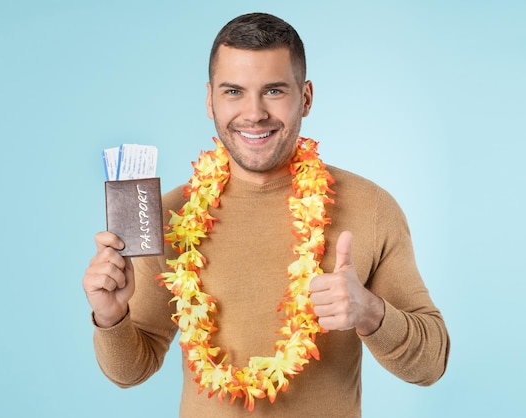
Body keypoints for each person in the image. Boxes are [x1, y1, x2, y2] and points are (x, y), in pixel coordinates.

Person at [82, 12, 450, 417]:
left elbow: (431, 364)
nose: (253, 112)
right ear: (210, 100)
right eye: (233, 91)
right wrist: (111, 316)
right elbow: (131, 371)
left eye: (273, 91)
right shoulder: (171, 215)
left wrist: (370, 313)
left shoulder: (371, 207)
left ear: (305, 97)